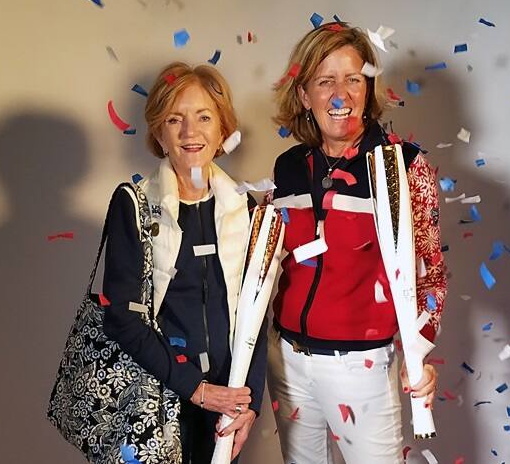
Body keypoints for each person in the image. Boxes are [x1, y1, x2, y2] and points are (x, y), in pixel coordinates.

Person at [266, 23, 448, 463]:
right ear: (305, 95)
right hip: (287, 361)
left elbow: (431, 274)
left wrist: (418, 350)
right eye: (325, 81)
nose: (340, 94)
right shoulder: (287, 167)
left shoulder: (403, 165)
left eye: (353, 79)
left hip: (362, 368)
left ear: (368, 89)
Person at [102, 62, 266, 463]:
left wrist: (251, 401)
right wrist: (195, 388)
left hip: (227, 402)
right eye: (175, 119)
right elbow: (120, 317)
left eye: (204, 117)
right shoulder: (134, 204)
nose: (191, 132)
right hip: (158, 397)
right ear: (159, 132)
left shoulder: (246, 208)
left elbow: (256, 311)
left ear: (223, 129)